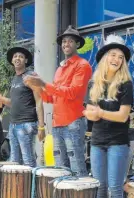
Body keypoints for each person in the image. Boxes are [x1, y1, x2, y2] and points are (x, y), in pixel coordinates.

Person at [24, 25, 92, 176]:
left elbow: (73, 93)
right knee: (61, 171)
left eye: (70, 41)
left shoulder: (82, 65)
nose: (66, 44)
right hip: (57, 124)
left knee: (77, 169)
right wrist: (37, 88)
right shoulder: (60, 69)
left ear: (77, 44)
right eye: (64, 41)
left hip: (73, 122)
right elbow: (51, 98)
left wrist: (43, 84)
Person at [82, 35, 133, 198]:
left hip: (118, 142)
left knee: (115, 186)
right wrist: (90, 114)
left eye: (120, 57)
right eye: (113, 55)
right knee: (100, 187)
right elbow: (89, 112)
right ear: (105, 57)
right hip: (97, 141)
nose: (117, 59)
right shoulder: (94, 84)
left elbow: (123, 116)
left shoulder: (125, 84)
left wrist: (100, 113)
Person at [0, 47, 45, 167]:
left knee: (28, 161)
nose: (17, 58)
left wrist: (41, 127)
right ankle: (20, 186)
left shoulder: (30, 76)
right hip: (13, 125)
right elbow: (13, 103)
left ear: (26, 60)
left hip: (27, 124)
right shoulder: (15, 79)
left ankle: (32, 186)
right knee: (14, 161)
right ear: (12, 60)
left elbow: (39, 100)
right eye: (15, 56)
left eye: (20, 56)